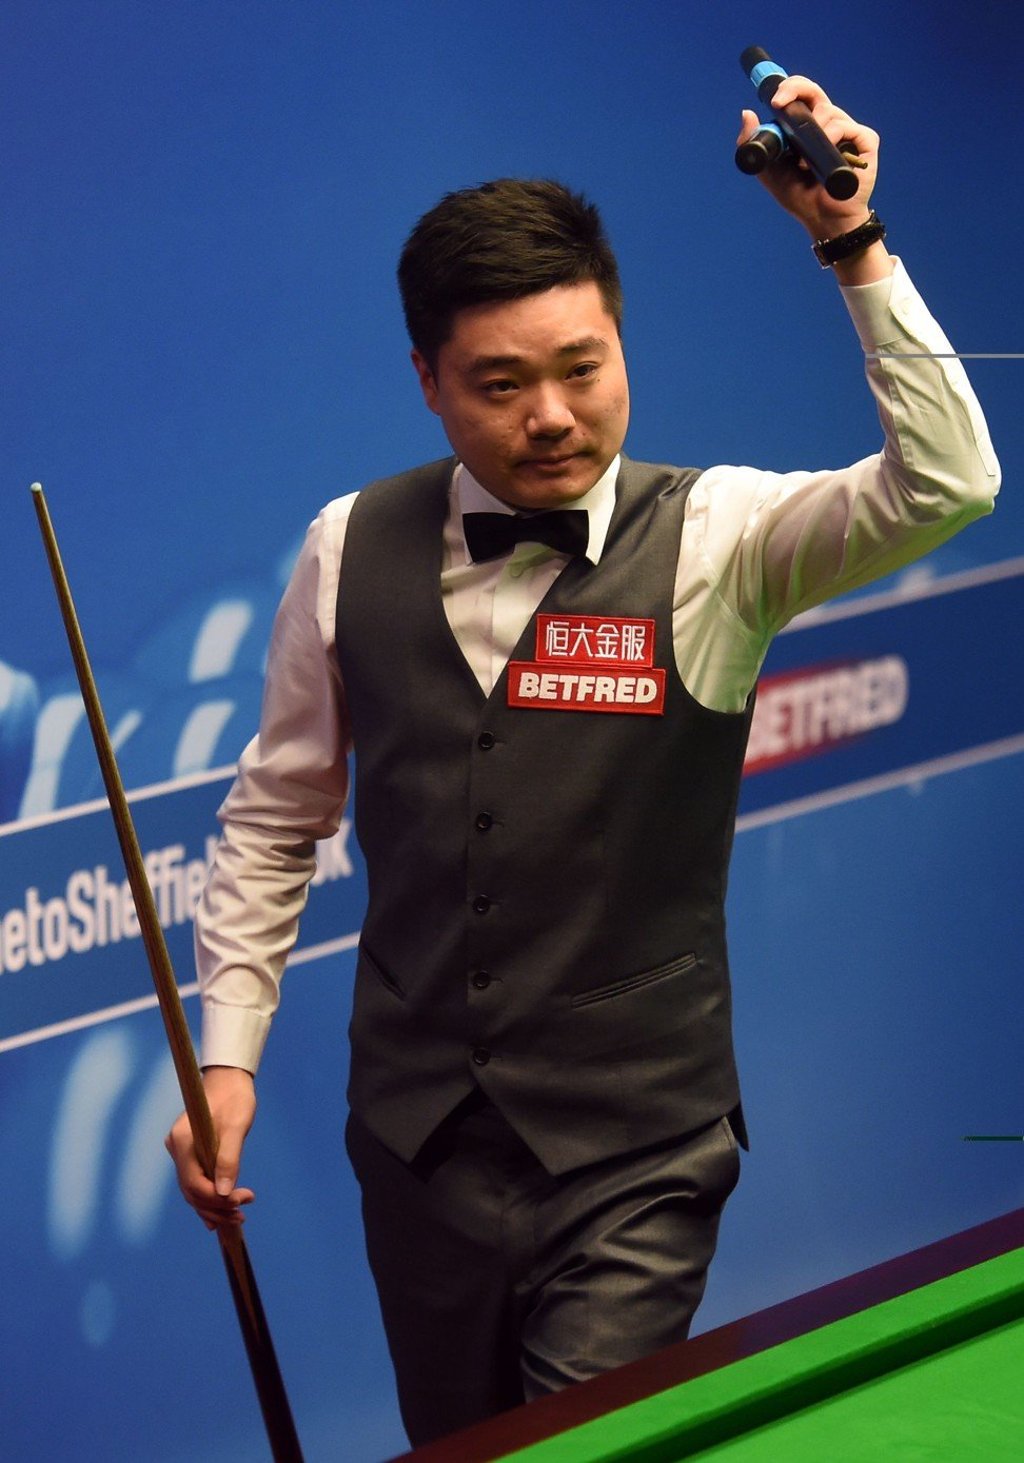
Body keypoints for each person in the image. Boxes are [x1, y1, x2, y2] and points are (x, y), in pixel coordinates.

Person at [166, 75, 999, 1446]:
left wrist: (853, 249)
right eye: (501, 383)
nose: (552, 413)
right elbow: (275, 819)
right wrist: (229, 1059)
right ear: (428, 381)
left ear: (622, 342)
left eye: (584, 366)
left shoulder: (727, 535)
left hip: (636, 1154)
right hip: (417, 1148)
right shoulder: (342, 547)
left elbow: (950, 484)